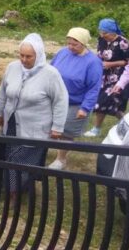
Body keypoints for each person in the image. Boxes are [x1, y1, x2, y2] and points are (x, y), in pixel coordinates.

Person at [0, 34, 68, 196]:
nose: (24, 60)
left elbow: (61, 100)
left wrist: (57, 127)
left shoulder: (51, 74)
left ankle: (14, 193)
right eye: (21, 55)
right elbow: (3, 91)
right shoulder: (12, 67)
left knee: (19, 159)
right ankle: (12, 187)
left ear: (38, 55)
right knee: (7, 156)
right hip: (12, 123)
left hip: (34, 127)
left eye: (29, 56)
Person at [48, 27, 103, 170]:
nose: (70, 47)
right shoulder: (62, 53)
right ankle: (42, 149)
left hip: (75, 103)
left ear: (84, 43)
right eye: (69, 43)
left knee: (66, 132)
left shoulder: (93, 62)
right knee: (48, 126)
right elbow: (49, 70)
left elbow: (94, 87)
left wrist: (85, 108)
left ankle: (61, 159)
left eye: (75, 44)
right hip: (55, 98)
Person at [85, 19, 129, 137]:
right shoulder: (101, 40)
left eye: (105, 33)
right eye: (101, 32)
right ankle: (97, 129)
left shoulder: (123, 43)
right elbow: (99, 55)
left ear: (112, 32)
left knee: (113, 104)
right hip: (104, 77)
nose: (102, 35)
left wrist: (111, 64)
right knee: (101, 103)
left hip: (119, 78)